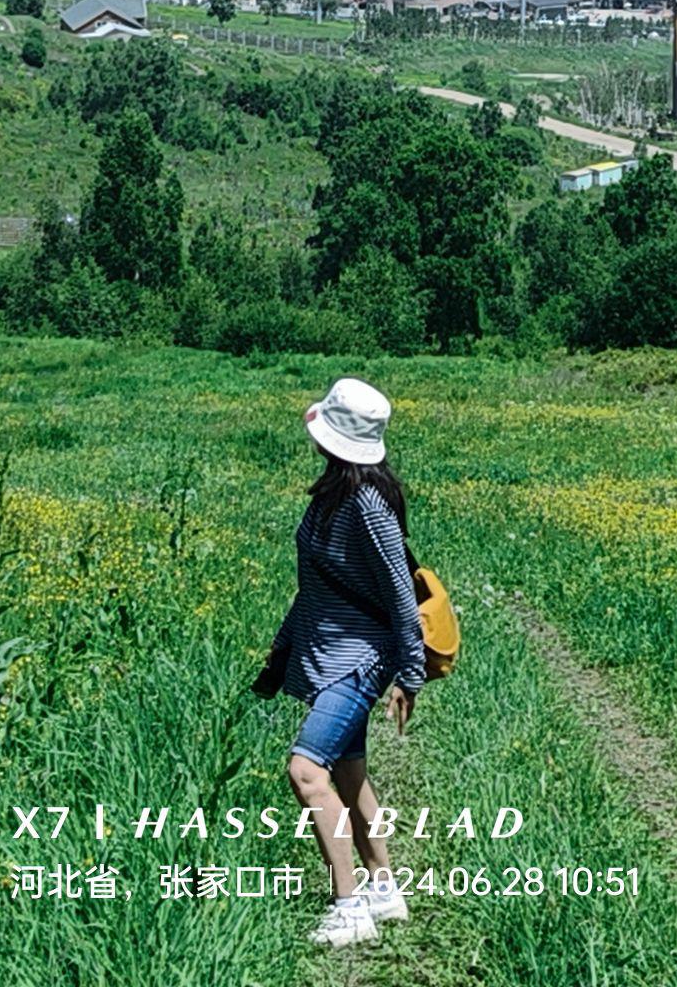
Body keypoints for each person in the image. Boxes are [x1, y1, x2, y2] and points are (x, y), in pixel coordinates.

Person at [253, 376, 426, 949]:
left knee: (307, 772)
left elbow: (401, 593)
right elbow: (315, 588)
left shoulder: (367, 504)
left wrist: (409, 673)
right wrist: (284, 647)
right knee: (348, 773)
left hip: (358, 661)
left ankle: (348, 907)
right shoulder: (334, 492)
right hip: (326, 652)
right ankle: (383, 887)